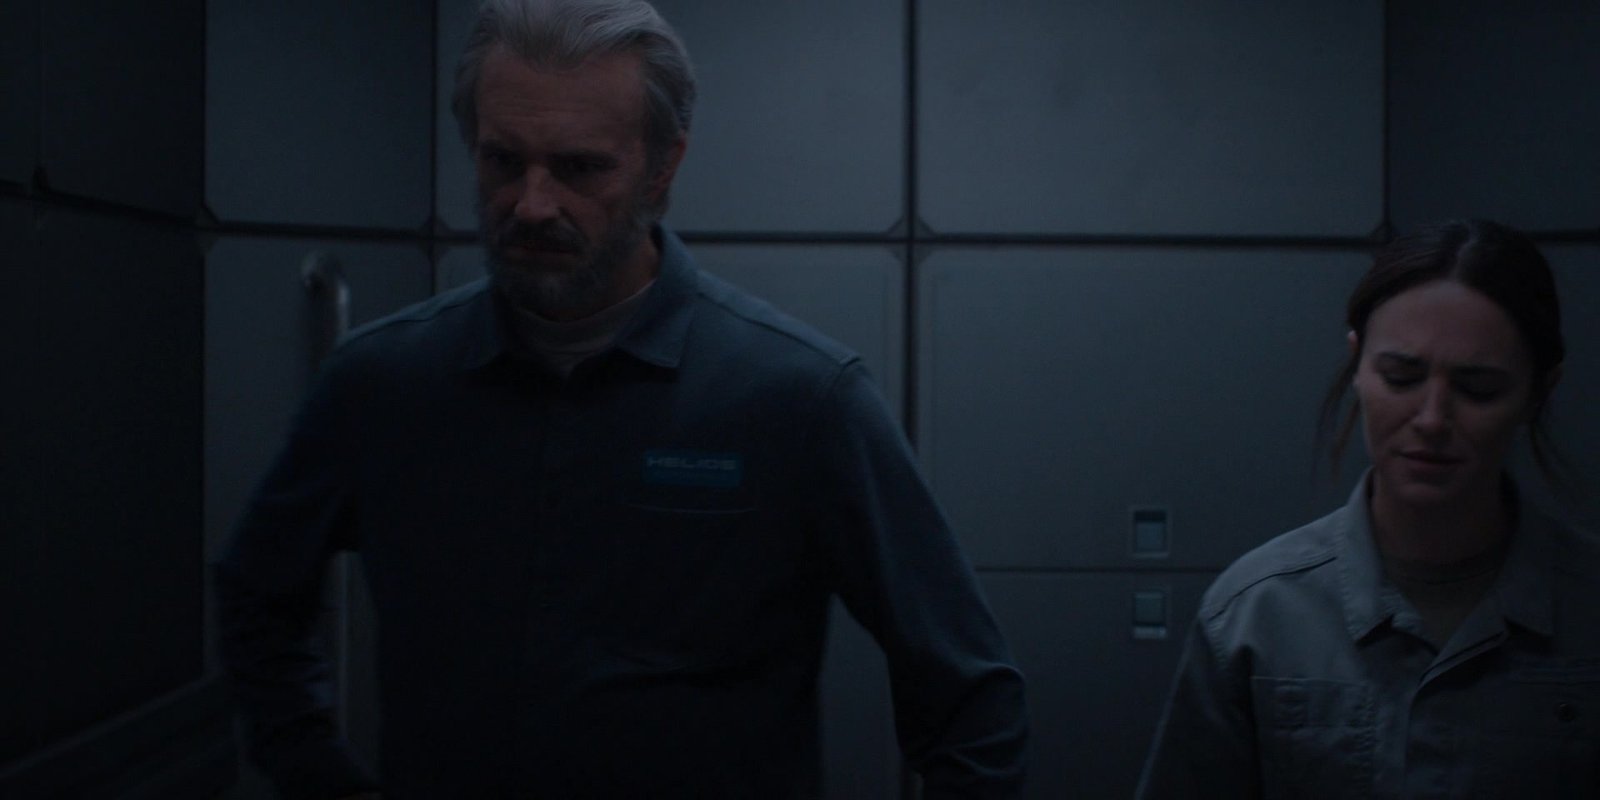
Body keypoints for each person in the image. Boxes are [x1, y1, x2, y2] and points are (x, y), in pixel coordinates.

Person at [213, 1, 1027, 798]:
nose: (532, 204)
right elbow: (257, 595)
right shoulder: (381, 384)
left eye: (579, 167)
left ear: (663, 166)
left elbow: (968, 693)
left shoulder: (800, 399)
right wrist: (313, 770)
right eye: (503, 161)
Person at [1136, 219, 1600, 798]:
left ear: (1538, 391)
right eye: (1401, 377)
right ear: (1358, 365)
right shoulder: (1256, 612)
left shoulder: (1585, 604)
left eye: (1478, 388)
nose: (1432, 419)